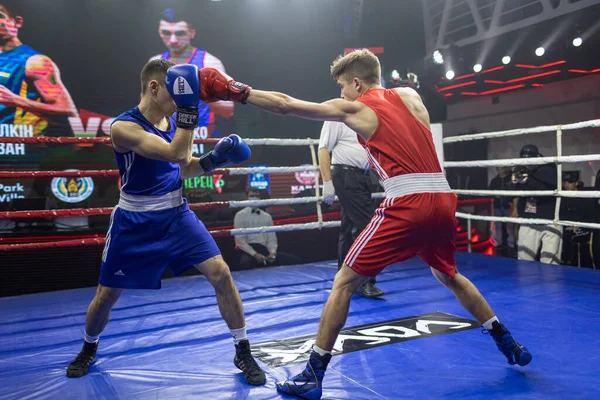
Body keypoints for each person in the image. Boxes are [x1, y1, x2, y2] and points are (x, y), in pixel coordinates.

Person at [195, 49, 532, 399]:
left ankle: (313, 375)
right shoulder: (411, 96)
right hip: (444, 198)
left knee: (343, 282)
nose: (341, 94)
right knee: (448, 274)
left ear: (356, 83)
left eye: (343, 87)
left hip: (408, 201)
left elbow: (284, 104)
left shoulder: (356, 108)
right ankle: (506, 341)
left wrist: (236, 91)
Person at [65, 60, 266, 386]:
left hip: (175, 214)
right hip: (134, 221)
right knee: (106, 296)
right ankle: (89, 347)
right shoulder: (123, 128)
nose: (179, 104)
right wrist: (189, 112)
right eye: (177, 95)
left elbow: (182, 167)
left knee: (222, 274)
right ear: (154, 87)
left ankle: (242, 349)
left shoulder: (173, 123)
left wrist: (214, 160)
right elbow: (175, 153)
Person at [318, 120, 384, 298]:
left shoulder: (361, 115)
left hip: (362, 176)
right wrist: (327, 182)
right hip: (346, 175)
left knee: (348, 229)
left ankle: (343, 277)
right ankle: (365, 281)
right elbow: (323, 149)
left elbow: (370, 150)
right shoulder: (335, 116)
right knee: (367, 228)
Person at [149, 8, 233, 137]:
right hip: (166, 136)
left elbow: (228, 110)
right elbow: (146, 107)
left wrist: (199, 91)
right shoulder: (154, 63)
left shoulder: (209, 62)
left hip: (201, 136)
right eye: (166, 32)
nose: (173, 40)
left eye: (180, 33)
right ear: (159, 32)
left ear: (191, 33)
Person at [0, 3, 78, 136]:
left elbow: (68, 111)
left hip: (23, 151)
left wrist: (16, 100)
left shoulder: (35, 62)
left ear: (17, 22)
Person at [511, 144, 561, 264]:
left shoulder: (549, 166)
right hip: (529, 218)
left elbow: (549, 186)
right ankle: (525, 283)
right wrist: (515, 181)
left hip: (549, 219)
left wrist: (527, 179)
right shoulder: (520, 168)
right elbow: (515, 189)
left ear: (537, 156)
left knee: (550, 260)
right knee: (524, 258)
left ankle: (551, 282)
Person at [234, 187, 302, 268]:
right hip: (248, 251)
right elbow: (240, 241)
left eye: (256, 196)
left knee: (295, 261)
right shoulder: (239, 215)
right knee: (245, 262)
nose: (254, 198)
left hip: (265, 249)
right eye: (251, 196)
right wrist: (255, 254)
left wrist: (272, 253)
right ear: (246, 197)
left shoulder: (267, 216)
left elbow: (271, 238)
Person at [488, 167, 515, 253]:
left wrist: (508, 199)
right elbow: (489, 191)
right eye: (498, 168)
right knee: (498, 225)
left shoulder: (510, 180)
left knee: (510, 226)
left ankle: (511, 244)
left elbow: (513, 191)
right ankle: (499, 243)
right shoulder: (495, 181)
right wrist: (496, 195)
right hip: (498, 206)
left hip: (508, 206)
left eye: (501, 168)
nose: (499, 170)